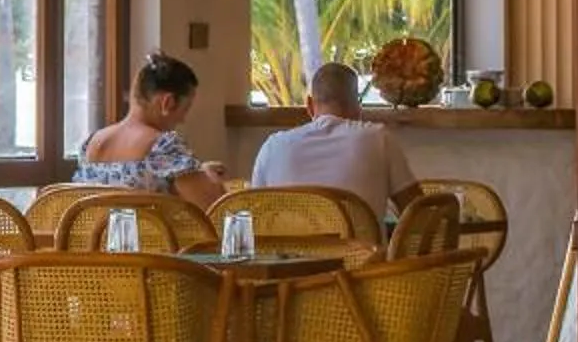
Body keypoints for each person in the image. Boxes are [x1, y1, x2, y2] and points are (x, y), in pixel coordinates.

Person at [246, 61, 410, 219]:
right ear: (357, 105)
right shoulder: (379, 139)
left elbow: (254, 218)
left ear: (309, 105)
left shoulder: (272, 147)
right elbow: (418, 210)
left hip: (289, 247)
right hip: (362, 248)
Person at [74, 51, 228, 212]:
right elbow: (215, 209)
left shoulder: (89, 145)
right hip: (149, 238)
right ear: (167, 103)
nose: (183, 119)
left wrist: (197, 171)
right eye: (186, 108)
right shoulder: (163, 146)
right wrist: (211, 180)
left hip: (99, 237)